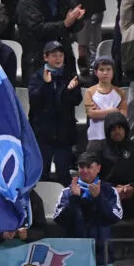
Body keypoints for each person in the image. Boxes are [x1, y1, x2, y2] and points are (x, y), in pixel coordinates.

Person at [53, 152, 123, 266]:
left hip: (101, 257)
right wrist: (74, 199)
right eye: (81, 166)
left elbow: (114, 217)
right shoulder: (68, 191)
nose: (84, 171)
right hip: (75, 258)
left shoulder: (109, 191)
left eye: (89, 167)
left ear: (98, 168)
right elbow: (60, 220)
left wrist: (99, 198)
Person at [28, 41, 81, 184]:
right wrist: (46, 84)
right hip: (43, 134)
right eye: (54, 55)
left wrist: (70, 91)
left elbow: (77, 100)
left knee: (64, 175)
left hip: (64, 135)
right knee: (41, 174)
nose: (58, 59)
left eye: (60, 55)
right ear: (46, 57)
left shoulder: (70, 75)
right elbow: (34, 100)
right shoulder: (37, 77)